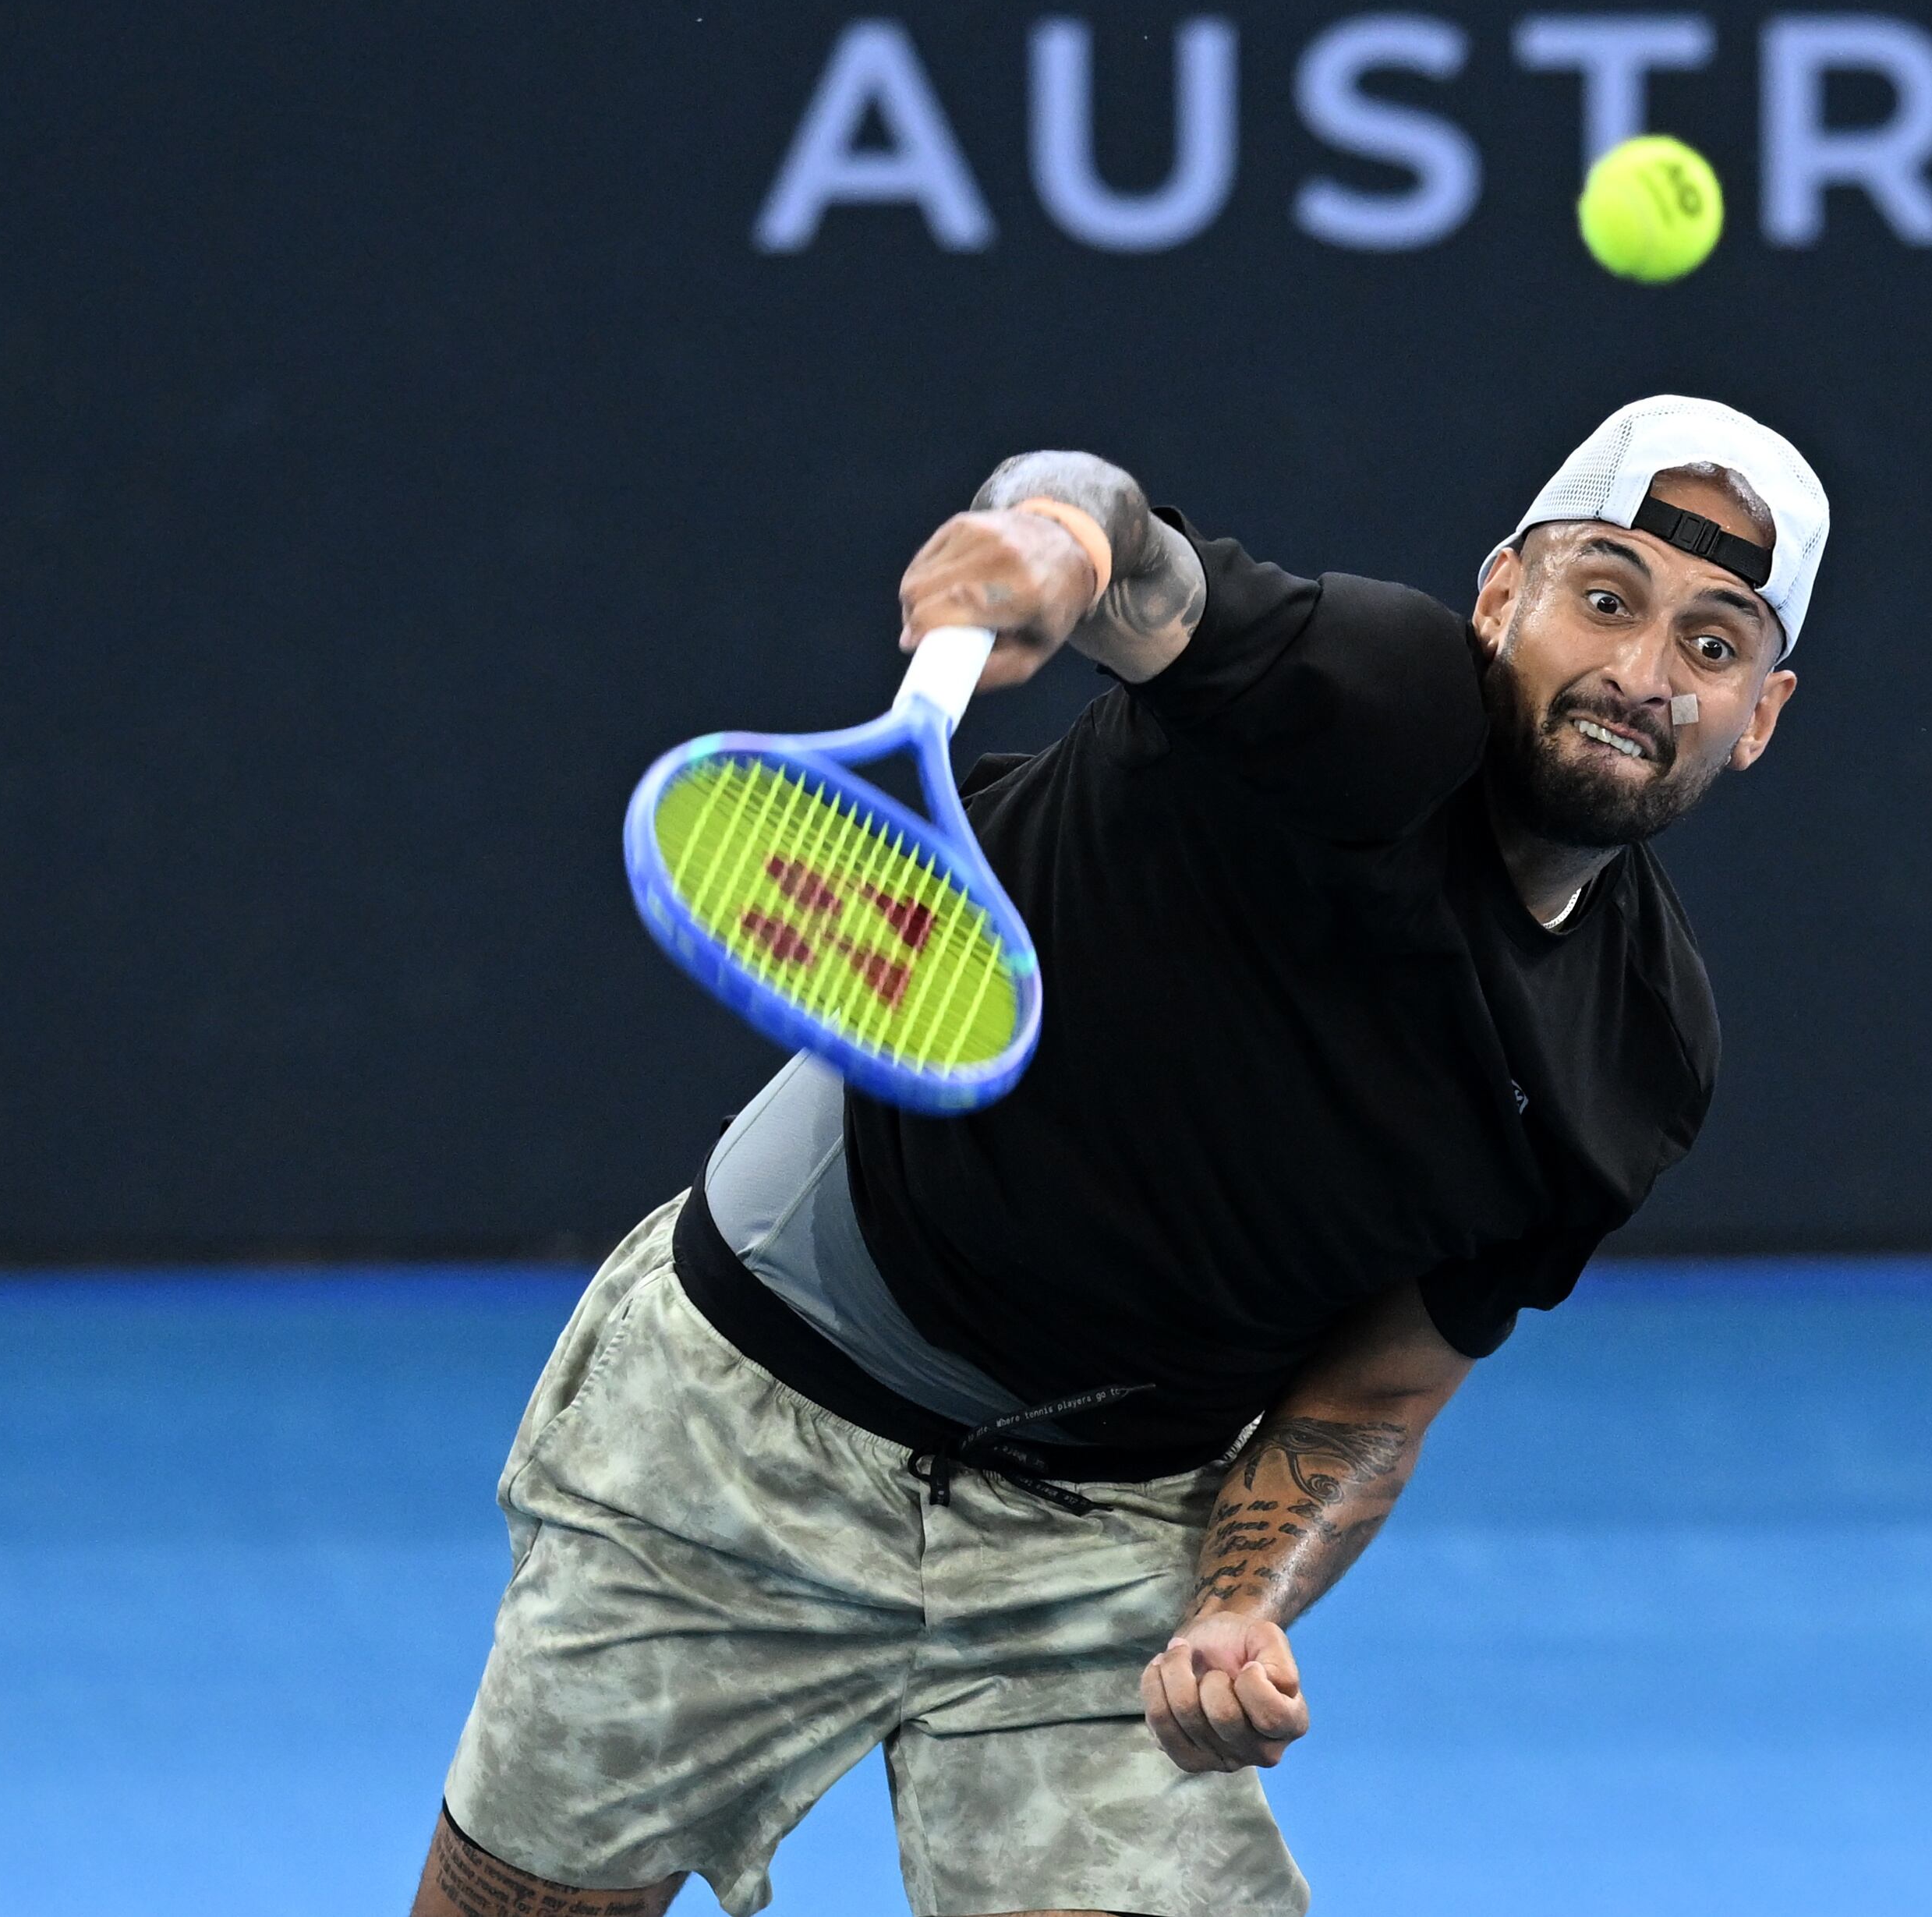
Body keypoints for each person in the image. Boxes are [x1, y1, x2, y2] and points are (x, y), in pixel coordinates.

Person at [411, 394, 1831, 1917]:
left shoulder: (1635, 1058)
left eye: (1710, 643)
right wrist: (1050, 542)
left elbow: (1377, 1392)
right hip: (751, 1419)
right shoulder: (1373, 699)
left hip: (1105, 1530)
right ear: (1500, 596)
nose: (1640, 673)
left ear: (1759, 713)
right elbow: (1129, 548)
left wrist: (1236, 1609)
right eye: (1604, 598)